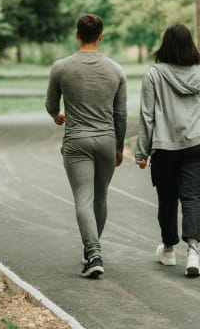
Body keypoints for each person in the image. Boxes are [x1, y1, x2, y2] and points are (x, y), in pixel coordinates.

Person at [45, 14, 127, 278]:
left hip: (76, 141)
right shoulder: (116, 70)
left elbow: (51, 105)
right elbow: (121, 114)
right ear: (101, 35)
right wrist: (119, 147)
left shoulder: (61, 67)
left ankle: (93, 253)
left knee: (84, 196)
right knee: (100, 195)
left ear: (77, 35)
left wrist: (58, 116)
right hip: (106, 139)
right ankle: (93, 250)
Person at [134, 23, 200, 277]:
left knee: (167, 199)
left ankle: (168, 249)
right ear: (191, 46)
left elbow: (147, 115)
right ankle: (193, 252)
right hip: (198, 141)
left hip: (165, 146)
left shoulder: (154, 74)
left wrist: (141, 152)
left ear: (164, 45)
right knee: (192, 197)